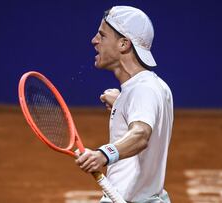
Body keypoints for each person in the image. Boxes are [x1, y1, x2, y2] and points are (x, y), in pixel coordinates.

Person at [75, 6, 173, 203]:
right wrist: (121, 103)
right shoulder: (151, 86)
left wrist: (103, 155)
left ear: (123, 44)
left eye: (102, 36)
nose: (94, 41)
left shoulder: (142, 90)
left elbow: (140, 135)